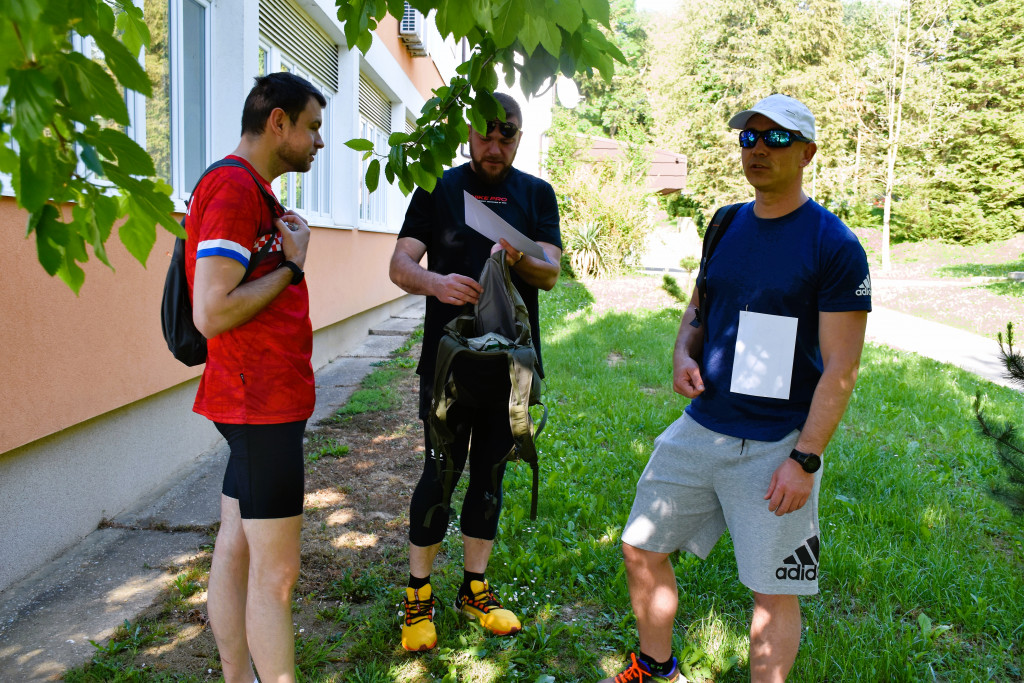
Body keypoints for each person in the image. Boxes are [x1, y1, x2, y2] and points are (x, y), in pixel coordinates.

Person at [600, 94, 871, 683]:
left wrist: (804, 460)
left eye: (777, 138)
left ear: (808, 153)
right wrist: (682, 352)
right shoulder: (724, 222)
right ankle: (656, 668)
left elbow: (842, 367)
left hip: (777, 443)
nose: (759, 149)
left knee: (772, 589)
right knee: (641, 546)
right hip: (702, 427)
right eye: (750, 137)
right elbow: (700, 304)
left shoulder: (834, 246)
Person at [389, 92, 563, 652]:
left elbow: (551, 273)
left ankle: (474, 590)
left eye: (506, 134)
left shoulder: (536, 194)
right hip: (448, 365)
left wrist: (518, 257)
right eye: (485, 132)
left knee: (490, 477)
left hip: (510, 368)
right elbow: (399, 265)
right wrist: (436, 283)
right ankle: (418, 597)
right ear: (469, 133)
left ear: (519, 137)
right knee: (439, 472)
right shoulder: (438, 187)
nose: (494, 143)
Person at [186, 71, 325, 683]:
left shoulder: (252, 191)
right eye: (312, 127)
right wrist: (292, 268)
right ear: (278, 122)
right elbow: (211, 311)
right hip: (258, 402)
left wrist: (284, 256)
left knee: (237, 544)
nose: (319, 141)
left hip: (259, 398)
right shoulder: (234, 188)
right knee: (277, 575)